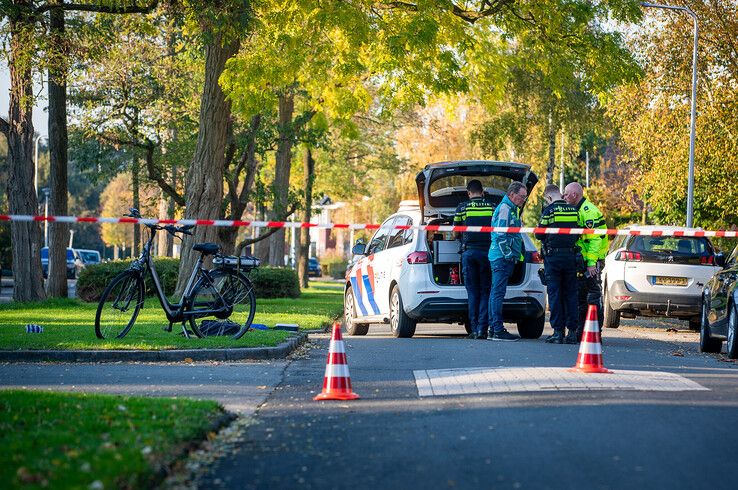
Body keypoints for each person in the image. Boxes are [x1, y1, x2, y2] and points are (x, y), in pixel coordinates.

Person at [563, 182, 609, 339]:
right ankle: (582, 332)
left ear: (575, 195)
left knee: (593, 297)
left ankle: (595, 333)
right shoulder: (577, 209)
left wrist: (591, 263)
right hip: (584, 260)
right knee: (581, 297)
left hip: (593, 260)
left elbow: (594, 240)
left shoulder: (588, 211)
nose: (564, 197)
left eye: (566, 194)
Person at [535, 185, 580, 344]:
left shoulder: (549, 211)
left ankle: (558, 332)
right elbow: (579, 231)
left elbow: (539, 235)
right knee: (570, 295)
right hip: (570, 257)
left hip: (553, 258)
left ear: (548, 198)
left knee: (555, 295)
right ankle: (573, 332)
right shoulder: (574, 211)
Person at [454, 180, 494, 339]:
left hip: (469, 253)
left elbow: (456, 231)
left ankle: (474, 329)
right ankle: (483, 330)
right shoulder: (492, 207)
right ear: (482, 191)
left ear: (468, 193)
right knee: (485, 291)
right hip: (487, 254)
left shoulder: (462, 208)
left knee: (472, 292)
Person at [487, 182, 528, 341]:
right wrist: (509, 254)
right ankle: (497, 329)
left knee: (495, 293)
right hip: (501, 258)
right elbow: (499, 235)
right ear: (512, 194)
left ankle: (493, 329)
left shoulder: (512, 209)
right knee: (497, 293)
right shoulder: (505, 209)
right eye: (522, 196)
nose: (523, 200)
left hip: (501, 257)